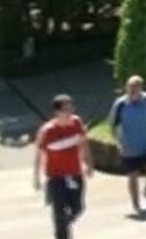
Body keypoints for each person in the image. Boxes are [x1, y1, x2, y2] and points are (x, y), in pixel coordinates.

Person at [33, 94, 94, 239]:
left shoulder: (76, 123)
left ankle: (62, 226)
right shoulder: (47, 131)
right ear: (57, 112)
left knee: (78, 208)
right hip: (56, 178)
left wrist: (89, 164)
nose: (70, 112)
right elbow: (39, 154)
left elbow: (84, 144)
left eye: (71, 108)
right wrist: (36, 177)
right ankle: (61, 232)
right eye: (66, 109)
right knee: (59, 212)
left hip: (74, 175)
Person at [110, 75, 146, 214]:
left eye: (135, 89)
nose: (132, 93)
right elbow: (114, 126)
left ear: (141, 89)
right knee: (133, 176)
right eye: (130, 89)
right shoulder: (120, 104)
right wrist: (118, 142)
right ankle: (136, 204)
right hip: (130, 147)